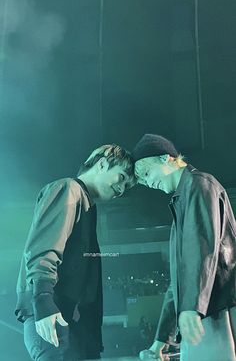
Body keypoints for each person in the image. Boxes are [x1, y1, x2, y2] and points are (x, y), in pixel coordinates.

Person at [15, 144, 135, 361]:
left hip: (71, 321)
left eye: (128, 185)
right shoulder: (68, 189)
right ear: (102, 164)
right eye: (122, 177)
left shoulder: (87, 204)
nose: (123, 188)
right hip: (54, 317)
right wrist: (43, 300)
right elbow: (44, 247)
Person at [133, 134, 236, 361]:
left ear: (166, 158)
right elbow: (178, 280)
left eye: (147, 174)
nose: (148, 183)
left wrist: (192, 308)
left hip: (217, 311)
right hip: (202, 312)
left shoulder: (199, 184)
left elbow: (203, 250)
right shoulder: (182, 200)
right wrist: (161, 340)